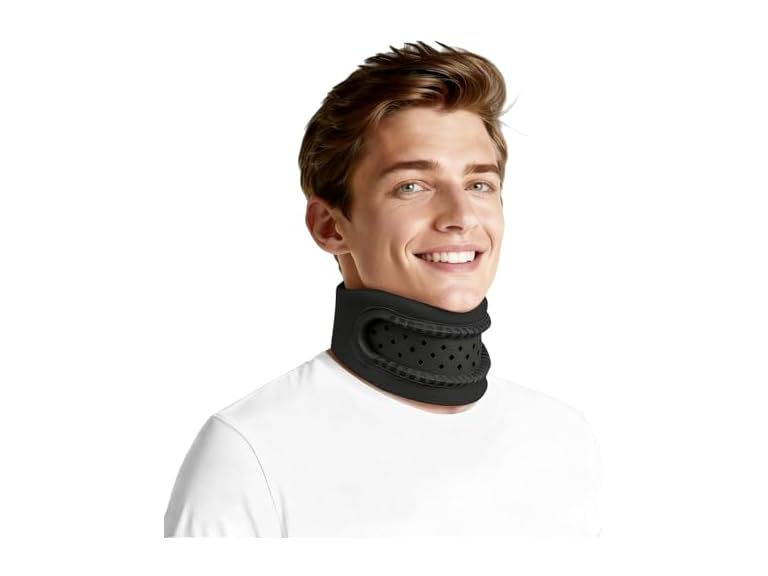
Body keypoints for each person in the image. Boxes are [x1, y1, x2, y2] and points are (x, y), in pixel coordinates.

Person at [164, 40, 602, 537]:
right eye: (411, 186)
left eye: (479, 184)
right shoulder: (250, 452)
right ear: (330, 226)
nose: (460, 217)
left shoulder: (564, 439)